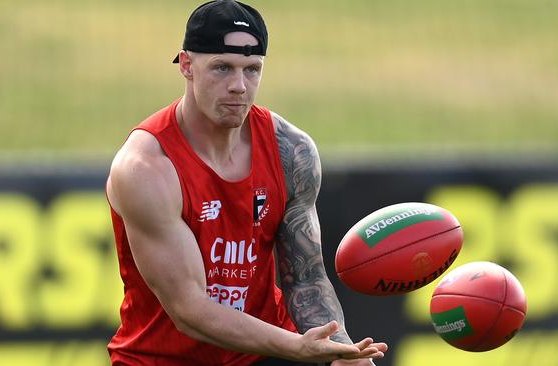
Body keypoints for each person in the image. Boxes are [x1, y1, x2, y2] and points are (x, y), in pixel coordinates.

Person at [105, 1, 389, 365]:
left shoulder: (292, 151)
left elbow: (304, 278)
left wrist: (342, 352)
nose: (239, 86)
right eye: (221, 68)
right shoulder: (146, 167)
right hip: (161, 359)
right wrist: (299, 347)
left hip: (261, 354)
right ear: (187, 65)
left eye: (252, 69)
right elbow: (189, 310)